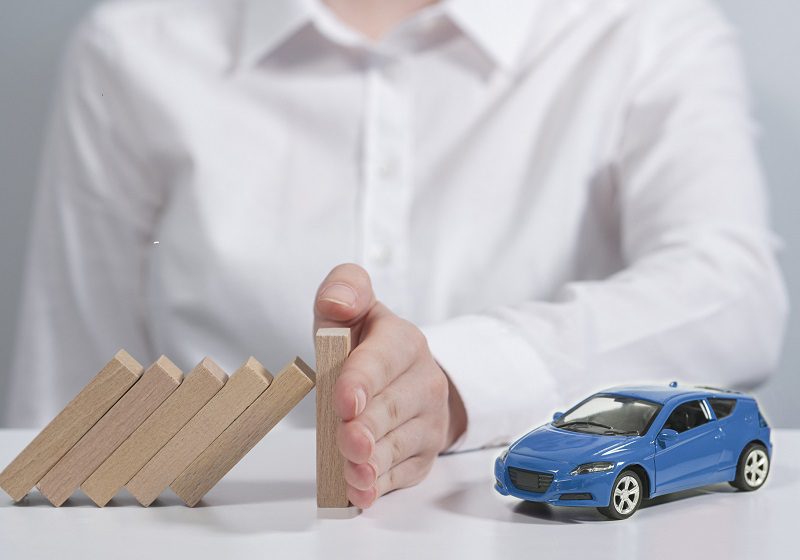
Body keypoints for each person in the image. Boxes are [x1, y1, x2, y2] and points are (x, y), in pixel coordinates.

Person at [4, 0, 788, 509]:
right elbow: (64, 409)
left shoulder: (647, 28)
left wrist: (459, 379)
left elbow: (735, 290)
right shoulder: (135, 42)